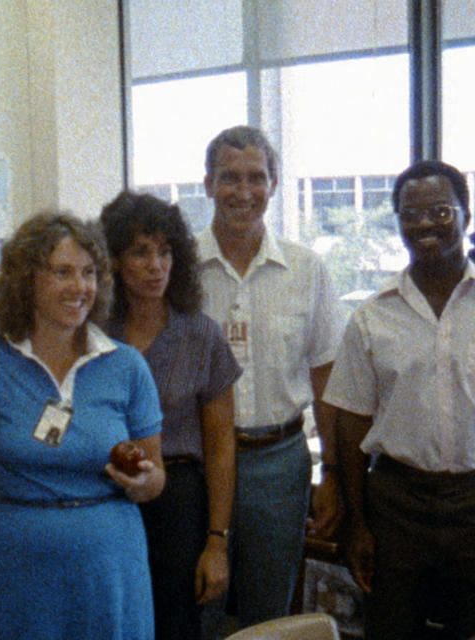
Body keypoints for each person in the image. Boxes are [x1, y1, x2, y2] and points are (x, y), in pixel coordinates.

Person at [0, 211, 166, 640]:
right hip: (18, 570)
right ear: (26, 279)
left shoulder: (125, 365)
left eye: (88, 273)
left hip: (111, 567)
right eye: (63, 272)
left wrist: (142, 483)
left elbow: (157, 474)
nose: (80, 287)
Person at [196, 125, 344, 631]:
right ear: (207, 184)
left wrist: (334, 474)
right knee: (200, 605)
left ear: (274, 183)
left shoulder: (306, 270)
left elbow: (327, 379)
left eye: (256, 177)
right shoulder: (178, 271)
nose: (243, 192)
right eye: (229, 178)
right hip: (197, 463)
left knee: (270, 614)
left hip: (280, 465)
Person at [324, 160, 475, 639]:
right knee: (391, 629)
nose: (425, 224)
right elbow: (349, 424)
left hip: (474, 500)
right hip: (396, 503)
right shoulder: (371, 318)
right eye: (411, 215)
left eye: (440, 211)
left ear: (466, 216)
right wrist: (358, 523)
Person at [101, 191, 241, 639]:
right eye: (140, 252)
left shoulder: (201, 335)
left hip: (179, 502)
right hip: (104, 495)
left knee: (175, 625)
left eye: (164, 252)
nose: (155, 265)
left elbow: (220, 446)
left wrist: (216, 541)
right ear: (114, 260)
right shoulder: (93, 333)